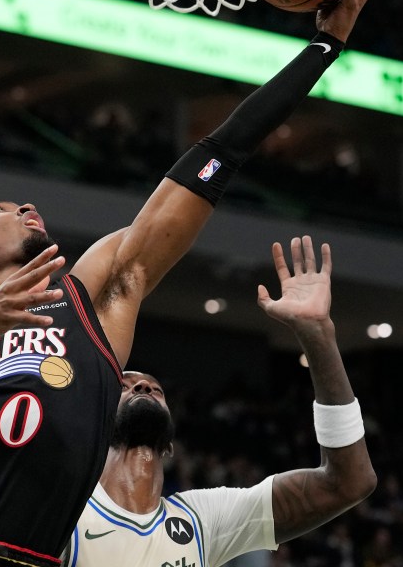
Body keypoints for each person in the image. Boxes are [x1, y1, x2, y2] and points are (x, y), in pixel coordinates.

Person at [0, 0, 376, 565]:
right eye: (6, 208)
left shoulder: (89, 300)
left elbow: (213, 161)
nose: (28, 208)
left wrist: (322, 50)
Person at [61, 236, 376, 566]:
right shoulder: (62, 512)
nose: (143, 386)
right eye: (123, 385)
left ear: (171, 445)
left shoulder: (203, 520)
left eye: (156, 389)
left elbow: (349, 482)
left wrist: (318, 336)